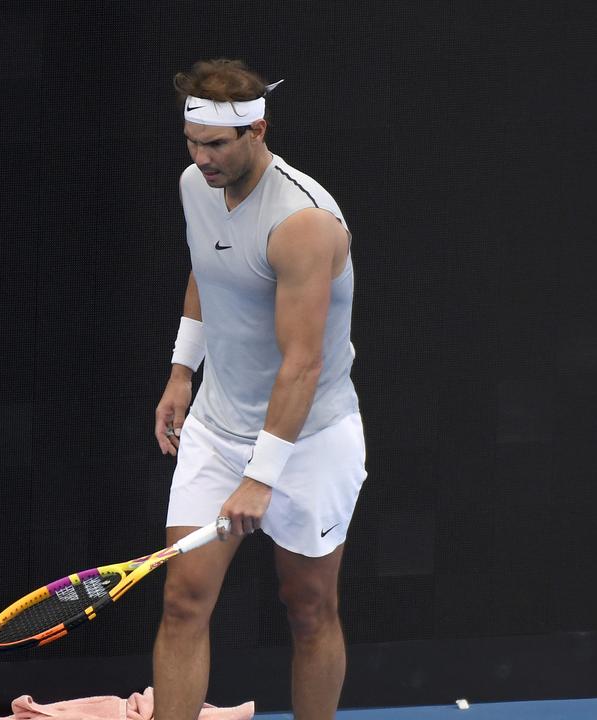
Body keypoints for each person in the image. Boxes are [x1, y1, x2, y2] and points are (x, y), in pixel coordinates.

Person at [151, 59, 366, 720]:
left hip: (310, 440)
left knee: (308, 608)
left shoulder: (304, 222)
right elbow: (207, 267)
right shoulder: (196, 184)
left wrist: (263, 473)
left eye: (216, 144)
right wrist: (182, 372)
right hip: (217, 427)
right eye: (192, 142)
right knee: (183, 599)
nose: (201, 157)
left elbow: (302, 363)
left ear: (257, 130)